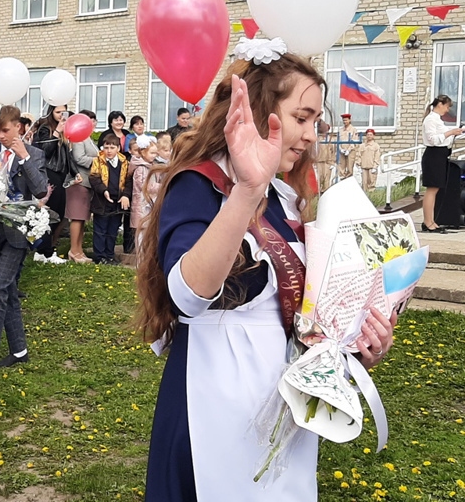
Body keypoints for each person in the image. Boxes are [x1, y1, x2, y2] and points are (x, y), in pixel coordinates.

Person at [135, 48, 396, 501]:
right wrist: (245, 192)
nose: (311, 135)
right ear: (260, 111)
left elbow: (297, 312)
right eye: (302, 117)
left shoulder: (284, 198)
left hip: (284, 402)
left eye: (316, 122)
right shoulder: (200, 184)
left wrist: (353, 348)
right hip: (214, 399)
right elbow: (185, 295)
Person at [0, 106, 48, 384]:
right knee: (9, 292)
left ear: (19, 127)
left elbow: (40, 190)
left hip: (17, 234)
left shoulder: (34, 154)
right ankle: (19, 349)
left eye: (5, 130)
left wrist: (24, 158)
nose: (0, 136)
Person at [32, 103, 72, 265]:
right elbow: (44, 151)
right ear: (51, 112)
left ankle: (49, 248)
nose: (61, 115)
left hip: (61, 174)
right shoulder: (45, 128)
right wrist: (56, 132)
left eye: (64, 112)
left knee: (60, 214)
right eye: (58, 112)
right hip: (49, 173)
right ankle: (44, 250)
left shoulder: (65, 129)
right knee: (49, 214)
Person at [421, 95, 464, 232]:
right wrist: (450, 132)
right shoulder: (430, 119)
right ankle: (428, 222)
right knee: (432, 189)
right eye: (446, 106)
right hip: (433, 155)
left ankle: (432, 220)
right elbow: (433, 139)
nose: (447, 110)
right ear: (440, 104)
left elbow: (444, 137)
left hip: (440, 155)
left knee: (436, 189)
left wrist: (456, 132)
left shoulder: (437, 120)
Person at [89, 134, 131, 265]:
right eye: (106, 147)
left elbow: (129, 181)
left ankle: (110, 255)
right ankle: (100, 256)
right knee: (100, 230)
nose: (109, 150)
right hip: (102, 201)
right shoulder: (98, 161)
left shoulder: (125, 162)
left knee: (113, 229)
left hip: (117, 202)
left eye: (112, 147)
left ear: (118, 148)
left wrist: (125, 195)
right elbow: (94, 178)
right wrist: (104, 190)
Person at [66, 110, 98, 263]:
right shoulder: (79, 137)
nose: (92, 122)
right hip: (78, 181)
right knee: (77, 217)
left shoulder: (88, 138)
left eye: (94, 120)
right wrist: (98, 162)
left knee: (83, 218)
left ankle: (79, 250)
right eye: (89, 120)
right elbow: (79, 158)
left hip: (88, 182)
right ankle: (73, 250)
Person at [130, 135, 160, 243]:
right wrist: (161, 186)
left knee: (149, 233)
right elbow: (144, 186)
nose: (154, 156)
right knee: (141, 236)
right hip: (141, 205)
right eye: (152, 153)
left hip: (150, 203)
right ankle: (141, 258)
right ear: (143, 152)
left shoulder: (152, 166)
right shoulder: (141, 168)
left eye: (155, 153)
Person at [357, 128, 381, 192]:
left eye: (371, 135)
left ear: (373, 136)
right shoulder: (362, 146)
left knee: (371, 183)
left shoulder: (376, 146)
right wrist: (358, 166)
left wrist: (375, 167)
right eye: (368, 134)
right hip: (364, 167)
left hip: (372, 168)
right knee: (364, 184)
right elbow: (359, 155)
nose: (369, 136)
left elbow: (377, 157)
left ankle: (371, 196)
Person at [315, 120, 335, 192]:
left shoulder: (331, 139)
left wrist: (333, 162)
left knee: (327, 178)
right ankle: (320, 192)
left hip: (328, 161)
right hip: (319, 161)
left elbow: (334, 151)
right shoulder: (318, 139)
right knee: (320, 178)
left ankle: (326, 191)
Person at [337, 113, 358, 179]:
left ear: (350, 120)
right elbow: (338, 140)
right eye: (343, 120)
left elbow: (354, 140)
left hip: (350, 151)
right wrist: (340, 148)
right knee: (341, 167)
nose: (345, 122)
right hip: (342, 151)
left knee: (350, 167)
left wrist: (349, 150)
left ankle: (348, 180)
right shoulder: (340, 130)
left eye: (346, 120)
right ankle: (342, 179)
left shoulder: (353, 129)